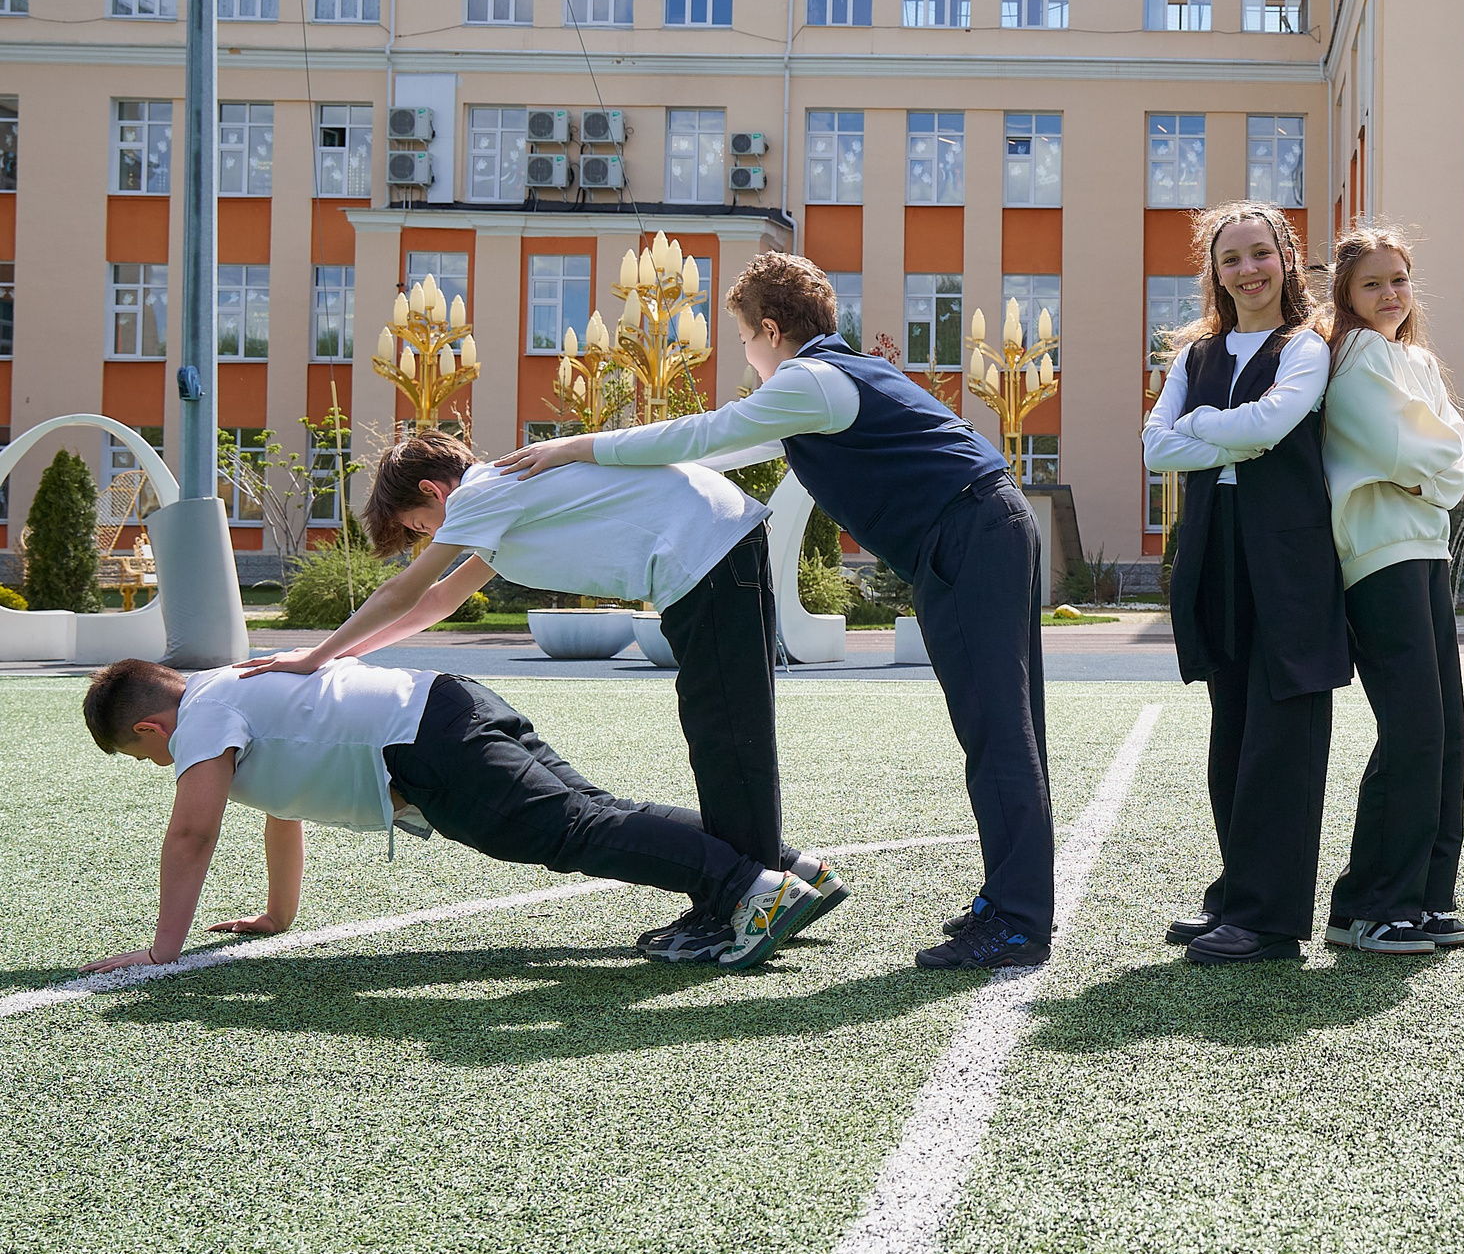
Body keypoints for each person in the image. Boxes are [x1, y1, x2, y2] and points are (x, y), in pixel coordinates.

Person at [498, 251, 1050, 972]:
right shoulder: (827, 382)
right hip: (987, 525)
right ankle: (1011, 905)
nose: (746, 357)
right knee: (1007, 729)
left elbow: (704, 434)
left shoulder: (810, 379)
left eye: (743, 339)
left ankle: (1016, 921)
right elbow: (718, 450)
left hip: (970, 533)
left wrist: (575, 446)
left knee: (997, 734)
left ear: (769, 329)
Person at [247, 427, 835, 966]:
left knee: (726, 734)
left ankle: (754, 897)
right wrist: (347, 654)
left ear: (432, 490)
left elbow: (405, 591)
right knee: (728, 731)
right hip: (718, 547)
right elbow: (439, 602)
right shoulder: (502, 500)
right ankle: (783, 874)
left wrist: (314, 657)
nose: (428, 538)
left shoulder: (480, 493)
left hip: (706, 554)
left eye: (420, 527)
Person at [76, 658, 821, 975]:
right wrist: (277, 915)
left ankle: (751, 888)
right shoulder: (228, 687)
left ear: (149, 728)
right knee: (594, 812)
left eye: (147, 757)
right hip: (448, 700)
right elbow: (283, 810)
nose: (163, 768)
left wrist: (162, 949)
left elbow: (192, 833)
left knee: (573, 830)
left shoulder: (202, 716)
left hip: (425, 743)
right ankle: (783, 867)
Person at [1144, 201, 1353, 965]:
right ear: (1215, 272)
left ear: (1286, 259)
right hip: (1215, 550)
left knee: (1283, 734)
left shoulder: (1307, 346)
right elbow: (1153, 448)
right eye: (1230, 258)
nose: (1248, 269)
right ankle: (1237, 893)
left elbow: (1270, 426)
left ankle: (1269, 919)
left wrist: (1199, 427)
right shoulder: (1195, 354)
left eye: (1260, 253)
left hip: (1289, 559)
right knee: (1231, 727)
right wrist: (1230, 433)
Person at [1317, 225, 1464, 955]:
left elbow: (1451, 457)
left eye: (1399, 279)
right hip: (1378, 556)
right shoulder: (1352, 352)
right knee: (1414, 728)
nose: (1389, 293)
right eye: (1372, 283)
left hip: (1426, 550)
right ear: (1346, 294)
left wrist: (1427, 478)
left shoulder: (1417, 360)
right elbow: (1405, 447)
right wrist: (1428, 474)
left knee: (1446, 732)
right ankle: (1370, 904)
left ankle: (1428, 896)